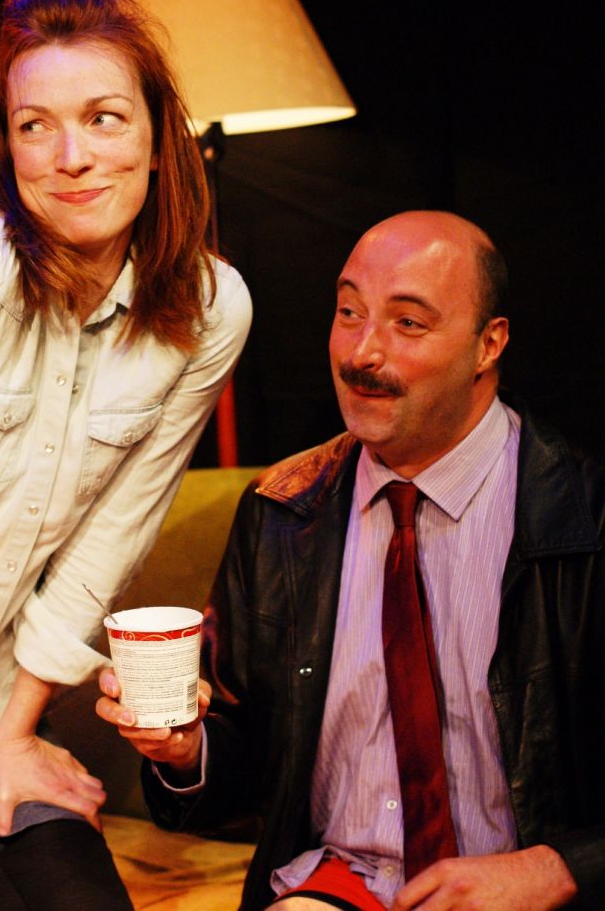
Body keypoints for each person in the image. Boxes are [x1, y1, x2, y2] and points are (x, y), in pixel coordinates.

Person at [0, 0, 252, 911]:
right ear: (5, 146)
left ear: (159, 136)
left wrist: (18, 733)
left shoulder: (210, 310)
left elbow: (107, 545)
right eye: (34, 126)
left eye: (104, 119)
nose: (72, 158)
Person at [97, 210, 605, 911]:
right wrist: (186, 750)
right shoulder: (281, 512)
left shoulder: (584, 517)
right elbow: (245, 763)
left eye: (408, 323)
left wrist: (559, 868)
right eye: (349, 313)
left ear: (489, 344)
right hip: (342, 883)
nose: (362, 353)